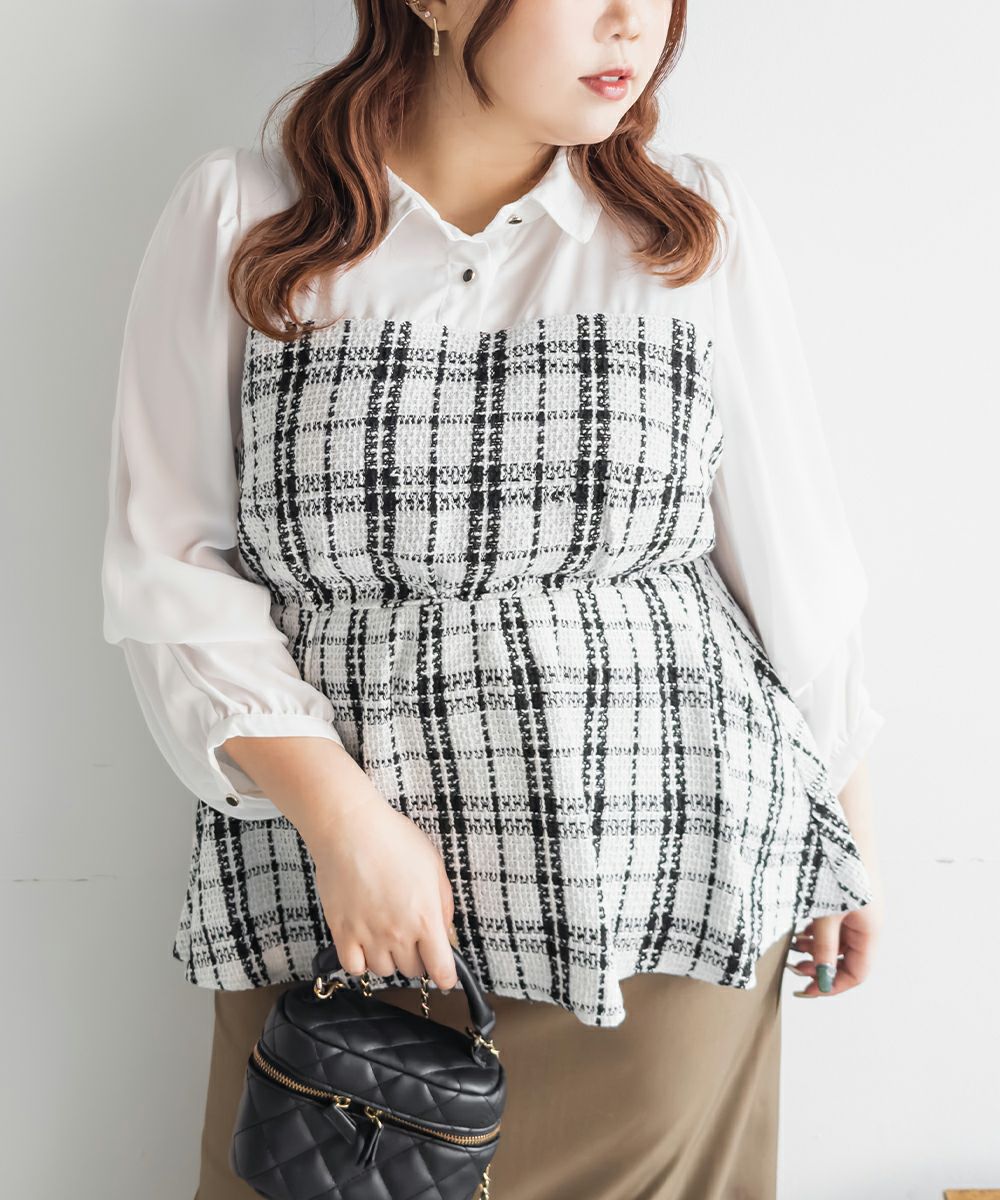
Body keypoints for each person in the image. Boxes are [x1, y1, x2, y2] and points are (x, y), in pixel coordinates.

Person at [100, 1, 886, 1196]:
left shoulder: (687, 220)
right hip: (347, 915)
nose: (631, 24)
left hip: (667, 887)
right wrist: (345, 826)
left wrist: (848, 839)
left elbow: (795, 567)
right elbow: (170, 567)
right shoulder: (245, 214)